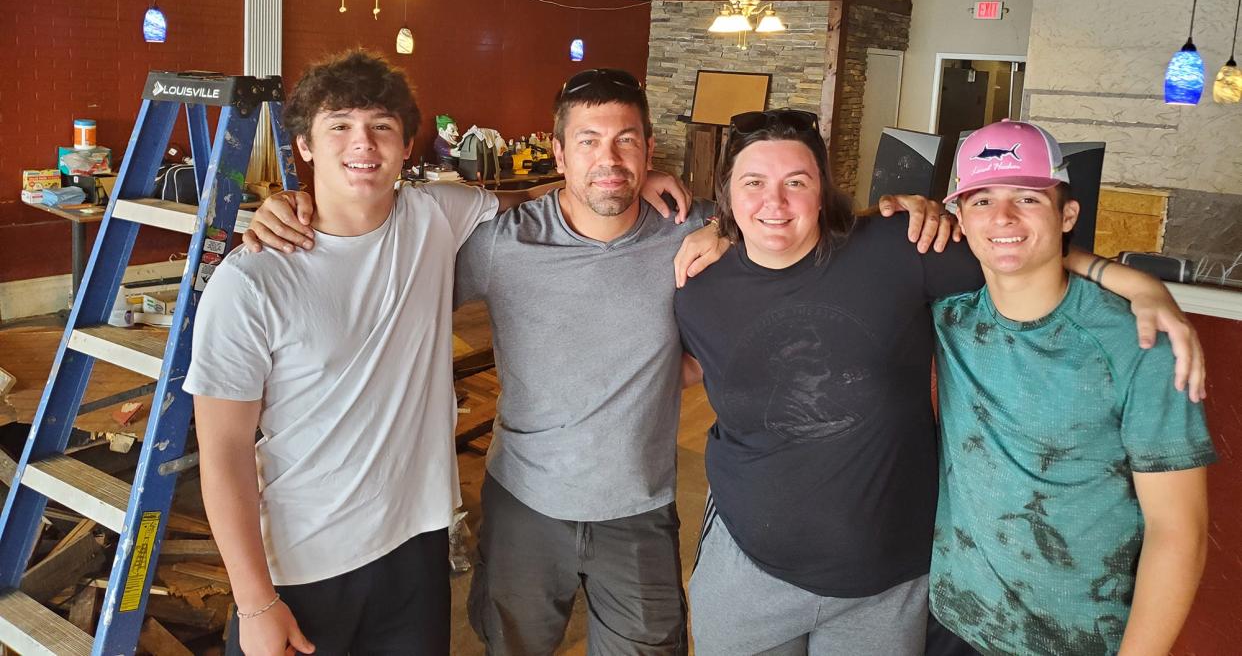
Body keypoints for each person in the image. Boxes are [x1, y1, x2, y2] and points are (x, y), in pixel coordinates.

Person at [243, 70, 952, 656]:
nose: (607, 160)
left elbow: (780, 214)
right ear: (557, 151)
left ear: (650, 151)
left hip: (639, 509)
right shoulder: (499, 241)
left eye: (625, 142)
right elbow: (379, 250)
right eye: (588, 141)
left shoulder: (696, 229)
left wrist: (900, 211)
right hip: (524, 504)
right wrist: (299, 207)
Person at [187, 52, 686, 656]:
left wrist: (625, 175)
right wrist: (255, 602)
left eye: (381, 127)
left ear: (405, 145)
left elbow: (545, 199)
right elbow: (222, 453)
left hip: (416, 551)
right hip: (303, 562)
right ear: (305, 145)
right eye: (339, 125)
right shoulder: (251, 281)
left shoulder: (434, 216)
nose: (362, 145)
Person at [672, 109, 1206, 656]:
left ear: (822, 189)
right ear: (727, 192)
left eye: (797, 182)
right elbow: (685, 368)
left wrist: (1130, 278)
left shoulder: (904, 251)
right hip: (773, 569)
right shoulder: (698, 289)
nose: (775, 201)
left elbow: (1014, 250)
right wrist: (718, 229)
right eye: (753, 182)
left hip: (900, 585)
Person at [930, 120, 1215, 656]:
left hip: (1079, 640)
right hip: (952, 618)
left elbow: (1179, 533)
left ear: (1067, 215)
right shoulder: (949, 312)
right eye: (982, 200)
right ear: (960, 220)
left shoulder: (1140, 344)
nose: (1003, 217)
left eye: (1028, 198)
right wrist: (721, 231)